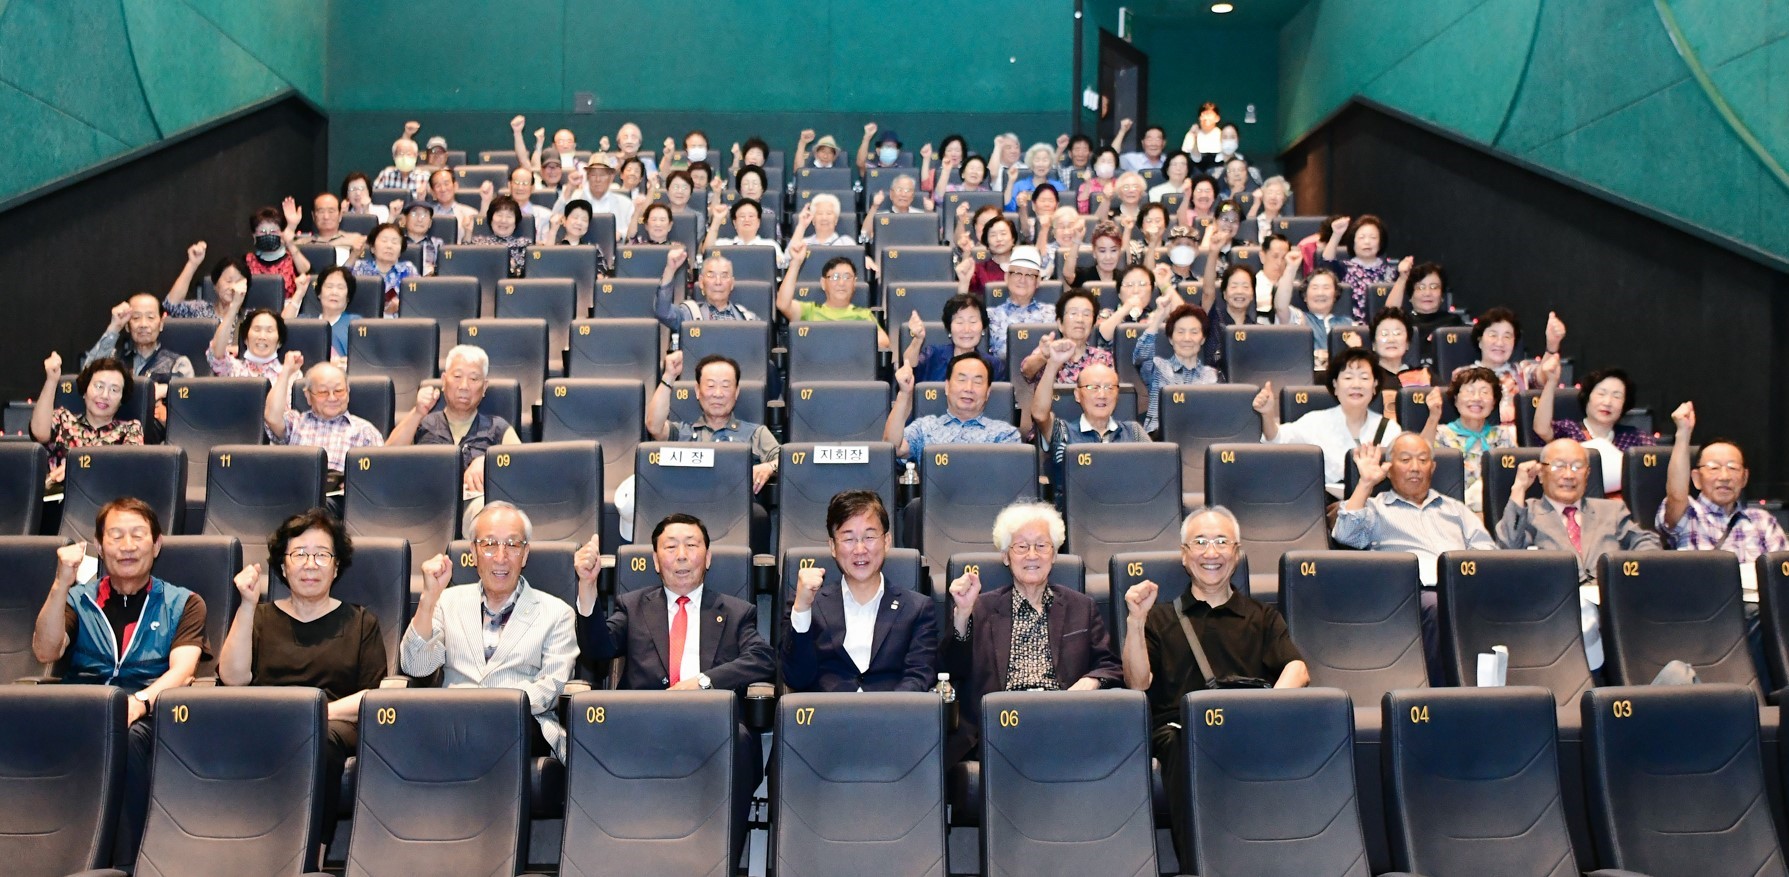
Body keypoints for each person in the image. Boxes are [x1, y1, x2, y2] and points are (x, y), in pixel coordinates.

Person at [571, 514, 770, 857]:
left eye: (691, 545)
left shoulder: (737, 612)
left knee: (739, 740)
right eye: (670, 547)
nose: (681, 556)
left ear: (708, 557)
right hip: (644, 722)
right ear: (655, 560)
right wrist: (588, 587)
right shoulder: (633, 606)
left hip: (711, 725)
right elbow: (598, 648)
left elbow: (762, 658)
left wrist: (703, 682)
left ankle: (721, 859)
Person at [1122, 505, 1306, 861]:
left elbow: (1297, 668)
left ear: (1236, 554)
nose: (1211, 553)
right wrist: (1135, 621)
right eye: (1200, 542)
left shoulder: (1262, 616)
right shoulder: (1158, 618)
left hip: (1246, 724)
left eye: (1222, 542)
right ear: (1184, 554)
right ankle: (1201, 863)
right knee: (1181, 743)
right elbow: (1137, 683)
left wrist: (1264, 715)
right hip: (1181, 731)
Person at [32, 498, 207, 863]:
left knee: (124, 737)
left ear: (156, 544)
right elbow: (46, 651)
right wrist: (61, 583)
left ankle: (125, 863)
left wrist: (139, 702)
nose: (127, 546)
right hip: (82, 706)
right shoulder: (78, 599)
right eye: (116, 536)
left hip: (147, 712)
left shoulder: (184, 602)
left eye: (138, 535)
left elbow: (183, 671)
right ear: (99, 545)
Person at [217, 508, 384, 826]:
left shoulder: (362, 622)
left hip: (333, 723)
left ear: (336, 567)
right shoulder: (259, 617)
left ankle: (312, 848)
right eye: (299, 554)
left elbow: (372, 696)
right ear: (283, 566)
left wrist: (313, 714)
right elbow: (233, 678)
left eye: (321, 555)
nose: (310, 564)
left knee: (321, 739)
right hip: (267, 719)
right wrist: (248, 605)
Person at [942, 501, 1123, 759]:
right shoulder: (979, 607)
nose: (1032, 555)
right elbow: (951, 667)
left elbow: (1110, 665)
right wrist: (962, 614)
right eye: (1021, 546)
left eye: (1041, 545)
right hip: (999, 730)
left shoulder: (1081, 607)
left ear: (1054, 554)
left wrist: (1091, 682)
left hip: (1064, 723)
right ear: (1006, 556)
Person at [402, 503, 579, 759]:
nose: (500, 557)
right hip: (452, 724)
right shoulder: (447, 601)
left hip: (519, 724)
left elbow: (554, 685)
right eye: (489, 544)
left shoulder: (557, 612)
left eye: (512, 545)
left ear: (525, 554)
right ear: (473, 552)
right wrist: (428, 598)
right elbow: (415, 665)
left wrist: (494, 709)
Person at [1331, 435, 1495, 683]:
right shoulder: (1375, 509)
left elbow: (1487, 553)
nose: (1415, 467)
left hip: (1465, 588)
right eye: (1405, 460)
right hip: (1412, 594)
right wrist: (1365, 484)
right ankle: (1444, 694)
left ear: (1433, 467)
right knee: (1437, 606)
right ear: (1389, 468)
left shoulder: (1455, 509)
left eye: (1423, 460)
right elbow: (1345, 534)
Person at [1495, 439, 1660, 669]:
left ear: (1588, 473)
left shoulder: (1611, 510)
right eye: (1558, 466)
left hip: (1614, 603)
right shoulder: (1528, 511)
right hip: (1558, 611)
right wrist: (1519, 488)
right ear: (1541, 474)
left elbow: (1646, 541)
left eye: (1577, 466)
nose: (1569, 475)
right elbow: (1507, 549)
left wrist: (1633, 575)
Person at [782, 490, 938, 692]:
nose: (860, 549)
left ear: (887, 541)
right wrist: (802, 609)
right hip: (829, 710)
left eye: (869, 537)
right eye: (848, 539)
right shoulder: (808, 604)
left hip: (892, 710)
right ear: (832, 546)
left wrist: (886, 709)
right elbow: (796, 678)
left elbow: (918, 677)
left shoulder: (917, 608)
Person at [1656, 402, 1788, 603]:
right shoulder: (1688, 514)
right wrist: (1683, 433)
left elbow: (1782, 574)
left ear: (1744, 478)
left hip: (1757, 608)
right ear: (1696, 478)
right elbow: (1676, 494)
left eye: (1733, 468)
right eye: (1713, 468)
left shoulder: (1763, 521)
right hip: (1703, 608)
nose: (1724, 476)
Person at [1256, 347, 1403, 494]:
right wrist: (1267, 414)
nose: (1356, 385)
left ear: (1375, 385)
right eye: (1348, 378)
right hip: (1327, 504)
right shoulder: (1316, 422)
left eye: (1364, 378)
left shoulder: (1389, 429)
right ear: (1335, 385)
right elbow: (1277, 439)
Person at [386, 344, 521, 502]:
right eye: (457, 376)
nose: (464, 386)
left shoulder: (497, 428)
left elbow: (522, 467)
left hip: (477, 507)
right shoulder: (423, 423)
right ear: (444, 381)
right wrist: (417, 413)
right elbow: (387, 461)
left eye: (473, 379)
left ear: (484, 387)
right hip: (425, 505)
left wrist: (489, 462)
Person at [645, 352, 779, 494]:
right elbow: (654, 427)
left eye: (726, 386)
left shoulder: (755, 434)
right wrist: (669, 376)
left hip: (738, 505)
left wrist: (769, 467)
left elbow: (785, 461)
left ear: (736, 392)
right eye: (710, 385)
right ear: (698, 391)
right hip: (687, 503)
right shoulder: (682, 433)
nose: (718, 393)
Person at [32, 353, 144, 489]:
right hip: (58, 496)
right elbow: (39, 433)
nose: (105, 395)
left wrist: (76, 468)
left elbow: (128, 466)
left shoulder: (130, 428)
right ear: (85, 390)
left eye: (114, 390)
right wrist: (51, 380)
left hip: (106, 497)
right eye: (99, 386)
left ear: (121, 399)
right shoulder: (63, 419)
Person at [886, 352, 1022, 463]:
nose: (968, 388)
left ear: (987, 392)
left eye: (977, 382)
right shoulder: (925, 428)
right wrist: (904, 393)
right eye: (962, 380)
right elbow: (893, 448)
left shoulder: (1005, 435)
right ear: (947, 386)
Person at [1032, 359, 1150, 486]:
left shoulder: (1134, 432)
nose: (1102, 395)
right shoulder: (1062, 432)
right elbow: (1039, 414)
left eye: (1109, 387)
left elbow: (1154, 469)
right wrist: (1052, 365)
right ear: (1077, 395)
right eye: (1093, 387)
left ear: (1117, 395)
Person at [1534, 363, 1646, 497]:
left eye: (1617, 396)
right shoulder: (1568, 430)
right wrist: (1551, 382)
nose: (1607, 402)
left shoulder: (1635, 438)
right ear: (1587, 397)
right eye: (1601, 394)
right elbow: (1542, 429)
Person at [264, 357, 385, 474]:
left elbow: (380, 473)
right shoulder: (295, 423)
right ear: (308, 396)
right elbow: (271, 416)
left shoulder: (365, 431)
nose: (332, 398)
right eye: (323, 392)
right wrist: (286, 371)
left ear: (348, 392)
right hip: (299, 487)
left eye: (339, 391)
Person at [1458, 306, 1565, 436]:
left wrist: (1552, 346)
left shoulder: (1522, 371)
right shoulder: (1464, 376)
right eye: (1493, 335)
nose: (1500, 343)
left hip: (1520, 440)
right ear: (1480, 340)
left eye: (1507, 337)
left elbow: (1545, 375)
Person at [80, 290, 195, 404]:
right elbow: (87, 376)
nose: (143, 324)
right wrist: (114, 327)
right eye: (136, 318)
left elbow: (188, 400)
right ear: (127, 325)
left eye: (150, 317)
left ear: (161, 322)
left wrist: (166, 390)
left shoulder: (178, 364)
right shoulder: (116, 360)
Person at [1432, 366, 1515, 513]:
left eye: (1484, 392)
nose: (1477, 398)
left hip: (1497, 514)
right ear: (1456, 399)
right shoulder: (1440, 434)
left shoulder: (1503, 436)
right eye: (1469, 391)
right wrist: (1433, 417)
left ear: (1494, 402)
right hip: (1450, 513)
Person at [1135, 300, 1221, 435]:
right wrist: (1158, 318)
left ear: (1203, 339)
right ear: (1170, 339)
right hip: (1159, 438)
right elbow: (1140, 356)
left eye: (1194, 332)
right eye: (1180, 332)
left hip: (1200, 439)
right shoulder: (1157, 368)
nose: (1187, 338)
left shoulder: (1212, 376)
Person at [778, 246, 890, 349]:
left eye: (847, 277)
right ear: (823, 283)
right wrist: (795, 264)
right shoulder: (810, 311)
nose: (841, 283)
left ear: (854, 283)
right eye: (835, 277)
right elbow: (783, 304)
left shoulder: (864, 315)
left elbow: (884, 341)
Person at [1016, 288, 1121, 387]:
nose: (1080, 319)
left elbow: (1110, 390)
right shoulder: (1048, 351)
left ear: (1092, 325)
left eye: (1086, 314)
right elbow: (1026, 372)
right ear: (1060, 324)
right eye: (1073, 313)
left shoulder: (1102, 358)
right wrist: (1044, 357)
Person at [903, 293, 1007, 383]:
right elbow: (908, 369)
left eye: (973, 322)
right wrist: (918, 339)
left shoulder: (994, 365)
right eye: (959, 322)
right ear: (949, 329)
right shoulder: (933, 356)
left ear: (983, 328)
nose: (966, 329)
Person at [654, 248, 759, 336]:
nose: (718, 282)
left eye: (724, 276)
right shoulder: (689, 314)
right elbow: (663, 312)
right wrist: (670, 270)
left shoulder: (748, 319)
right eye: (711, 275)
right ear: (701, 282)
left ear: (732, 283)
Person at [1318, 215, 1400, 323]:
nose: (1367, 242)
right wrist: (1336, 235)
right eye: (1361, 237)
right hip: (1350, 326)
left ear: (1381, 242)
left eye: (1373, 237)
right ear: (1353, 242)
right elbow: (1326, 263)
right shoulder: (1344, 268)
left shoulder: (1392, 272)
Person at [1384, 261, 1466, 367]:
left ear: (1442, 296)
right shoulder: (1403, 322)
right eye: (1420, 288)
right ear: (1410, 297)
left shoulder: (1454, 322)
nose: (1427, 293)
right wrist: (1402, 278)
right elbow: (1388, 316)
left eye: (1434, 287)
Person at [985, 247, 1054, 360]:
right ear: (1006, 277)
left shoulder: (1052, 314)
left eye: (1030, 275)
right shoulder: (990, 316)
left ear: (1038, 281)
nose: (1022, 280)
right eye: (1017, 273)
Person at [347, 224, 417, 316]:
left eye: (395, 242)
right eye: (384, 241)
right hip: (365, 320)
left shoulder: (407, 269)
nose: (389, 246)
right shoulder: (361, 267)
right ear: (372, 248)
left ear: (400, 251)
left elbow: (417, 300)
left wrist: (402, 306)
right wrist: (353, 256)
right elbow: (340, 281)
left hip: (400, 321)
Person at [247, 201, 313, 299]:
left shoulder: (292, 259)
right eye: (262, 231)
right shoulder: (247, 261)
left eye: (273, 231)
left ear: (281, 234)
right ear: (254, 235)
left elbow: (306, 270)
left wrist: (289, 242)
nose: (268, 234)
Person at [206, 302, 288, 380]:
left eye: (269, 331)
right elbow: (216, 353)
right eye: (257, 329)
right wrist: (234, 307)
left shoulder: (289, 374)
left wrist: (286, 374)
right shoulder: (233, 369)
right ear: (246, 339)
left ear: (279, 342)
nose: (262, 336)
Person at [163, 243, 245, 320]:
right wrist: (192, 264)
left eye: (239, 283)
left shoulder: (248, 318)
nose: (233, 287)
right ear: (215, 284)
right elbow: (171, 306)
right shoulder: (200, 310)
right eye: (229, 281)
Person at [468, 195, 531, 278]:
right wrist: (468, 232)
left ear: (515, 222)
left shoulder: (525, 246)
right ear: (491, 219)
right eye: (499, 215)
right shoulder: (477, 243)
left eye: (509, 216)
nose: (503, 221)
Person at [957, 217, 1020, 299]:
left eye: (1003, 234)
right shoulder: (979, 270)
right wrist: (966, 253)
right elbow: (964, 299)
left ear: (1013, 239)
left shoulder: (1024, 267)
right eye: (993, 235)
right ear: (987, 243)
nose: (999, 239)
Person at [295, 191, 364, 266]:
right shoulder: (301, 244)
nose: (326, 217)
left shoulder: (355, 240)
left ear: (340, 215)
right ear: (313, 216)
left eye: (331, 211)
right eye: (321, 211)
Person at [420, 169, 477, 243]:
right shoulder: (426, 214)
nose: (443, 189)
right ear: (432, 192)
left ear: (455, 186)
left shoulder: (470, 213)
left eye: (446, 184)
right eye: (438, 185)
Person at [399, 201, 446, 276]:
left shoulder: (438, 244)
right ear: (404, 220)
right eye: (414, 214)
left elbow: (445, 270)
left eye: (425, 215)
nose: (420, 219)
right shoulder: (397, 242)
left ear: (430, 223)